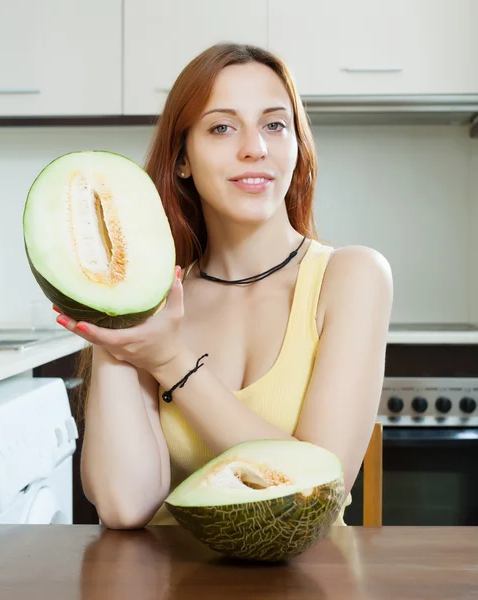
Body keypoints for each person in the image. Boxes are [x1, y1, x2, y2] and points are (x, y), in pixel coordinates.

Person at [54, 43, 393, 529]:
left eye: (275, 124)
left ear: (297, 148)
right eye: (222, 127)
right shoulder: (157, 303)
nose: (255, 146)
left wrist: (170, 362)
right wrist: (116, 320)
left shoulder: (352, 276)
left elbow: (318, 488)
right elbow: (123, 506)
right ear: (182, 159)